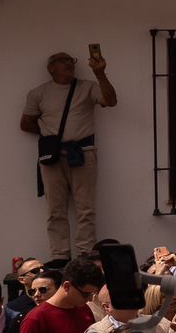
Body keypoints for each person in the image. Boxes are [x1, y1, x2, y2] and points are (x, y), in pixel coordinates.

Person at [20, 50, 116, 265]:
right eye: (62, 61)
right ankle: (60, 256)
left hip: (83, 153)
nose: (69, 64)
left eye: (70, 61)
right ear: (51, 68)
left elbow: (111, 100)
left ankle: (86, 255)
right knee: (55, 209)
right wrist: (51, 138)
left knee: (86, 209)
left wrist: (101, 74)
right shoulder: (38, 93)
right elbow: (26, 123)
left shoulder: (88, 86)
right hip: (52, 157)